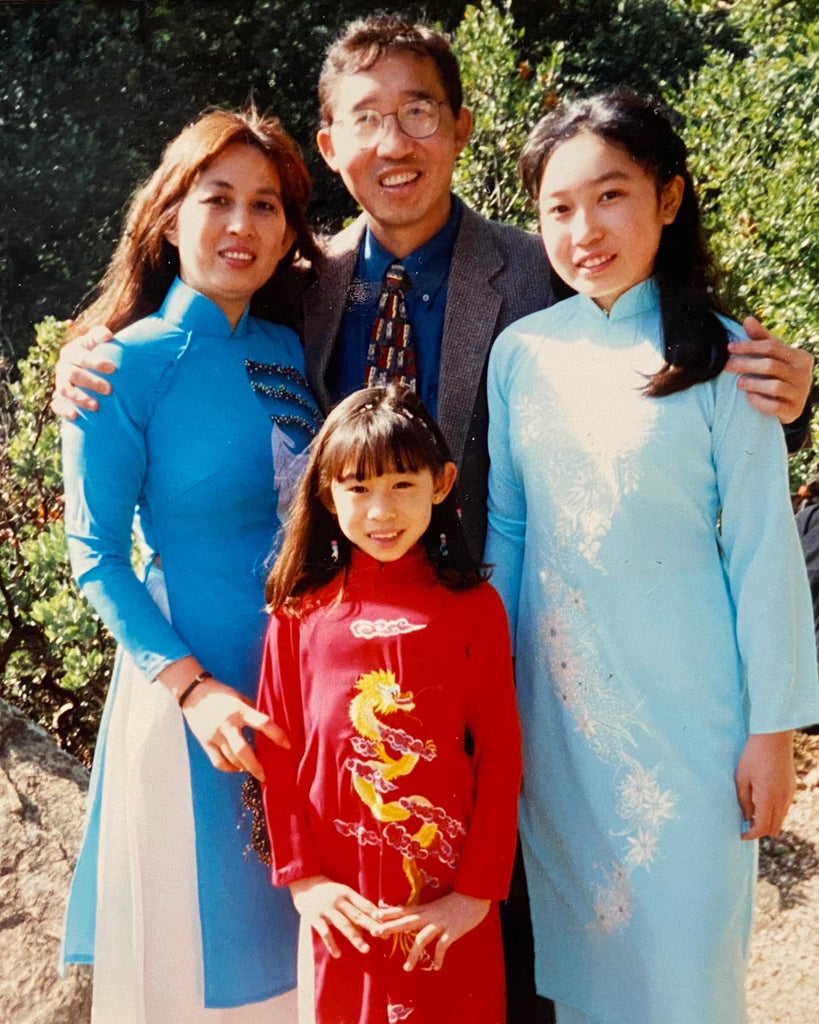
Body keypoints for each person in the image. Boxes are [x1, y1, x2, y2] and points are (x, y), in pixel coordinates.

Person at [49, 15, 815, 1024]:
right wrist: (84, 352)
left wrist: (789, 393)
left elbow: (666, 355)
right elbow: (189, 320)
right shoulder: (296, 284)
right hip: (326, 681)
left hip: (510, 664)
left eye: (418, 112)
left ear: (459, 127)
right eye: (366, 119)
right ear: (331, 145)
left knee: (528, 952)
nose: (394, 142)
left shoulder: (544, 264)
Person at [484, 90, 819, 1024]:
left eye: (610, 195)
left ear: (667, 198)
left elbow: (761, 550)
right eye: (557, 207)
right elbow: (508, 531)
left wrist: (773, 731)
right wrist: (484, 692)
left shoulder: (726, 358)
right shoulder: (519, 355)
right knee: (583, 977)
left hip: (693, 728)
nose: (583, 230)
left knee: (687, 979)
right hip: (557, 725)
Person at [60, 108, 323, 1023]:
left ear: (288, 234)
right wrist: (193, 689)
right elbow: (95, 556)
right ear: (170, 218)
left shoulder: (286, 348)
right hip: (190, 693)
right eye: (217, 200)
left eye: (265, 205)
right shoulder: (119, 366)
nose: (241, 225)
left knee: (298, 951)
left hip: (297, 686)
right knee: (199, 968)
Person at [253, 384, 522, 1024]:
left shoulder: (474, 608)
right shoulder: (298, 614)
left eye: (403, 484)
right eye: (359, 488)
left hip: (447, 904)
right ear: (327, 495)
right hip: (341, 909)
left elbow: (502, 754)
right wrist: (305, 882)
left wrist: (475, 895)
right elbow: (276, 751)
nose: (382, 510)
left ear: (442, 482)